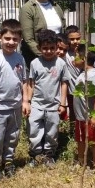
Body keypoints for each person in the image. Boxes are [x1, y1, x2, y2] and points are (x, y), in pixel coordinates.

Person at [0, 19, 29, 179]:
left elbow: (24, 81)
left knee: (13, 136)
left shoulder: (20, 58)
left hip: (15, 106)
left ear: (20, 40)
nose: (11, 42)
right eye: (7, 38)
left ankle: (8, 161)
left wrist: (25, 101)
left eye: (15, 39)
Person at [26, 29, 68, 166]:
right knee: (34, 129)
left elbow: (63, 83)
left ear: (57, 47)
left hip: (54, 105)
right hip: (37, 104)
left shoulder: (61, 64)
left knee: (52, 131)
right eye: (45, 48)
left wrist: (62, 104)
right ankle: (36, 154)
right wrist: (28, 101)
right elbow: (31, 84)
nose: (48, 51)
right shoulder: (35, 63)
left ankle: (49, 154)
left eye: (52, 48)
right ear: (39, 48)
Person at [19, 0, 66, 65]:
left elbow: (62, 32)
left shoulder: (56, 7)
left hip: (57, 59)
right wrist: (46, 54)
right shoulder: (28, 8)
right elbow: (29, 39)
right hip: (38, 60)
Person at [73, 45, 95, 168]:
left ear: (83, 58)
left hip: (90, 117)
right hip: (81, 116)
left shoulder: (91, 76)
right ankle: (81, 162)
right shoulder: (83, 74)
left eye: (76, 56)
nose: (74, 58)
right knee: (80, 139)